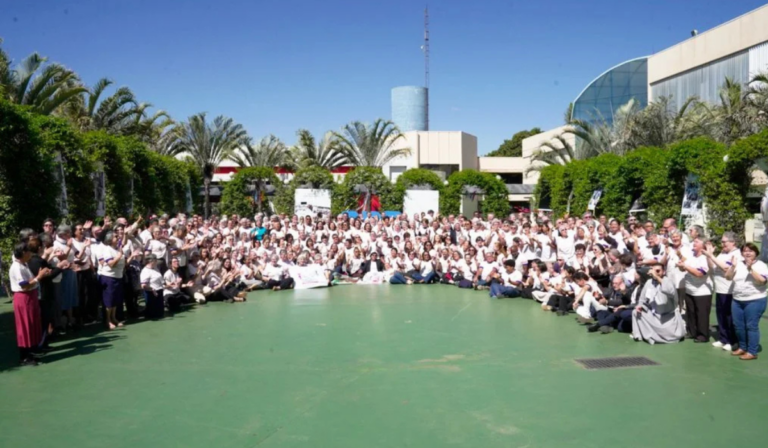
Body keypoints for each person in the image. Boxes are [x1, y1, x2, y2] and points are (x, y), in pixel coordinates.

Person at [9, 242, 51, 366]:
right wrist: (39, 276)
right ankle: (24, 357)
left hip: (29, 297)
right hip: (23, 298)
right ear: (23, 253)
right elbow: (24, 284)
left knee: (31, 324)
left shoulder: (23, 264)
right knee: (25, 325)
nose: (31, 254)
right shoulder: (17, 267)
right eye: (28, 252)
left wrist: (39, 276)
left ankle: (29, 353)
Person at [725, 243, 768, 360]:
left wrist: (750, 269)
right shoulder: (738, 264)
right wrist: (732, 267)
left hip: (755, 300)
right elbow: (728, 277)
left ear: (756, 253)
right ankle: (742, 347)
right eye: (745, 251)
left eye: (751, 251)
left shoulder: (761, 265)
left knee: (751, 326)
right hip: (738, 300)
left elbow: (762, 281)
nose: (747, 253)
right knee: (738, 326)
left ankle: (752, 351)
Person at [703, 232, 741, 351]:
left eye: (724, 242)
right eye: (722, 242)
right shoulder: (723, 253)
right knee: (721, 316)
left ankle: (732, 340)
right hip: (719, 289)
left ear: (733, 242)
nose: (722, 244)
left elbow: (726, 268)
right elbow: (712, 267)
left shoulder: (736, 254)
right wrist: (709, 256)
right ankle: (723, 338)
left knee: (729, 316)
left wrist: (712, 256)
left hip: (729, 290)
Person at [631, 262, 685, 344]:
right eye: (653, 270)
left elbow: (669, 290)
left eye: (658, 271)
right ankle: (640, 335)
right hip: (654, 315)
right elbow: (642, 299)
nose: (655, 273)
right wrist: (640, 306)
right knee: (635, 312)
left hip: (668, 319)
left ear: (663, 272)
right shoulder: (649, 282)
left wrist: (656, 276)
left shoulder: (668, 281)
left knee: (671, 335)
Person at [677, 237, 713, 343]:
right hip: (690, 290)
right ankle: (692, 332)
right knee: (691, 313)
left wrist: (685, 266)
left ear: (703, 245)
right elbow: (683, 268)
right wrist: (681, 266)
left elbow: (699, 274)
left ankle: (703, 335)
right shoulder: (691, 256)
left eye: (697, 242)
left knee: (701, 314)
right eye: (694, 241)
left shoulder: (705, 258)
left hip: (702, 292)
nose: (694, 243)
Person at [98, 231, 126, 330]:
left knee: (116, 300)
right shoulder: (107, 250)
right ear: (110, 239)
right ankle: (108, 320)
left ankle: (114, 318)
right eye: (115, 236)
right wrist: (118, 257)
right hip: (109, 277)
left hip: (118, 277)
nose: (118, 237)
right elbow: (110, 264)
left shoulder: (117, 249)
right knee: (109, 300)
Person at [140, 255, 165, 319]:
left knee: (160, 313)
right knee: (152, 314)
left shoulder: (156, 268)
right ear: (151, 261)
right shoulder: (145, 271)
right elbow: (143, 285)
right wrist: (152, 289)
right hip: (151, 293)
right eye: (155, 260)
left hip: (159, 291)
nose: (157, 262)